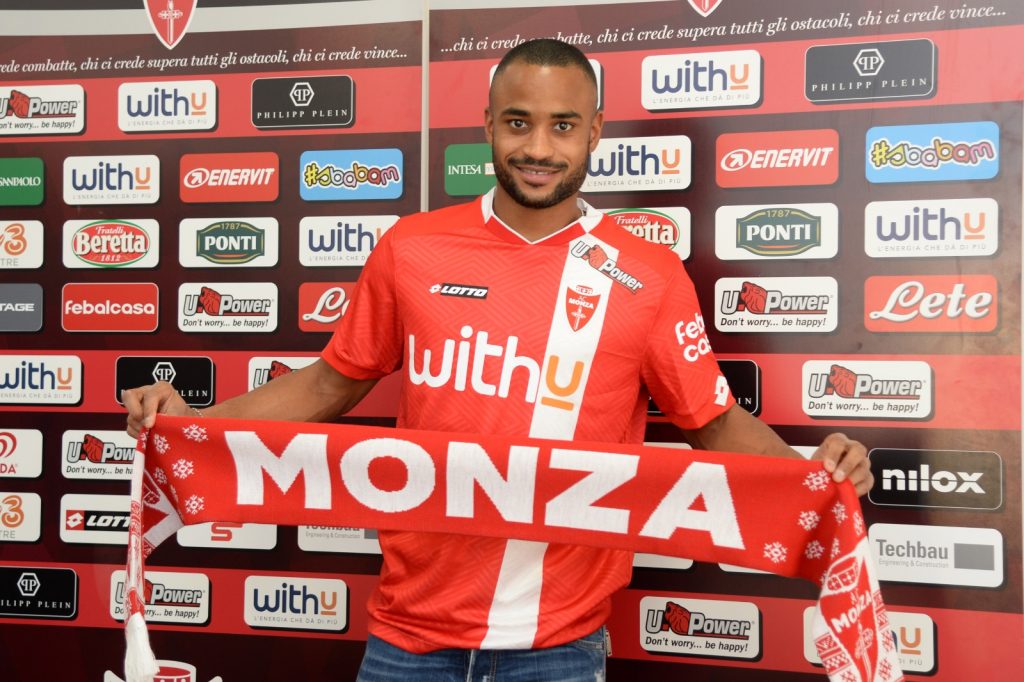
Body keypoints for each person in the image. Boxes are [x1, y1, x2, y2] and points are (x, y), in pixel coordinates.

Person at [124, 38, 872, 682]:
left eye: (562, 125)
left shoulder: (647, 275)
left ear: (595, 131)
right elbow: (329, 383)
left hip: (559, 649)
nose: (539, 149)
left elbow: (712, 423)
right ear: (487, 124)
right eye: (518, 122)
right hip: (406, 641)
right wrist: (192, 427)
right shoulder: (412, 248)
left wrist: (817, 475)